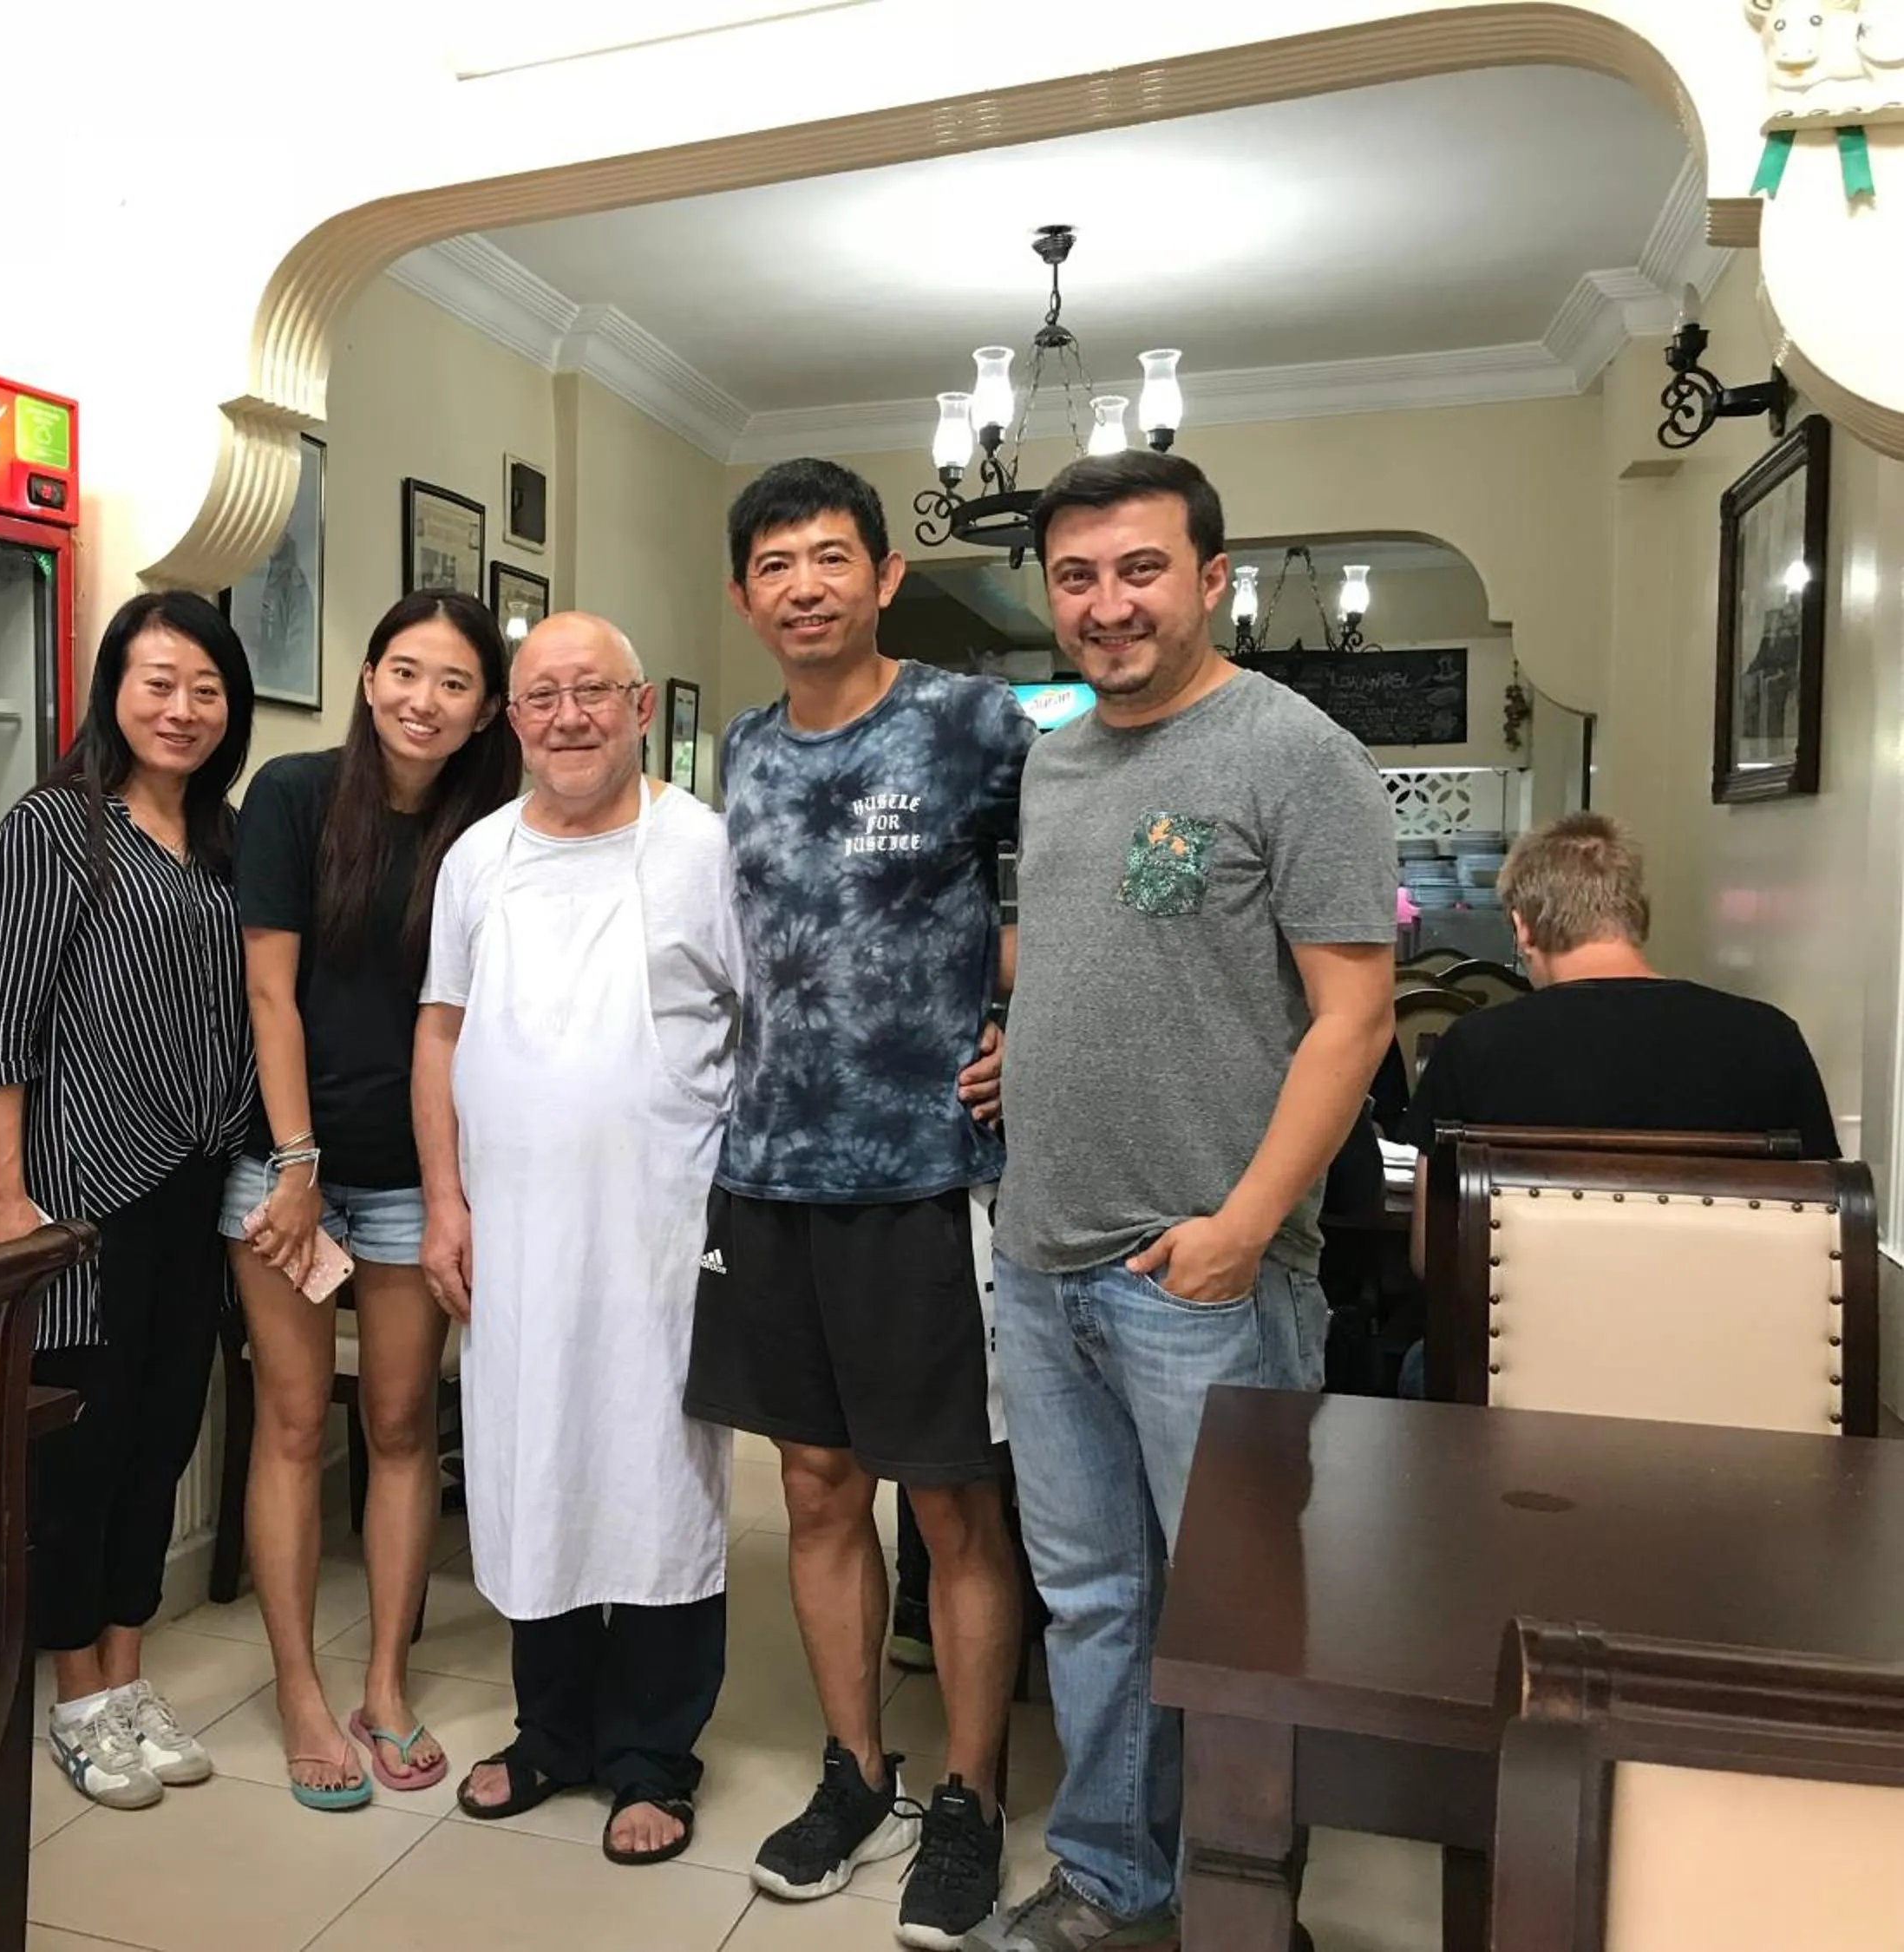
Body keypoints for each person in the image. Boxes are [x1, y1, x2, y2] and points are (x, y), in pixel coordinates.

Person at [972, 451, 1397, 1952]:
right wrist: (1017, 1049)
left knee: (1232, 1618)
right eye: (1077, 577)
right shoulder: (1060, 755)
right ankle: (1111, 1879)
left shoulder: (1297, 755)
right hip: (1041, 1261)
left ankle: (1233, 1897)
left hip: (1205, 1279)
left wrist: (1240, 1229)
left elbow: (1354, 1018)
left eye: (1141, 569)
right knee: (1089, 1602)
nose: (1108, 605)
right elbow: (1090, 956)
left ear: (1212, 578)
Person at [684, 457, 1029, 1951]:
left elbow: (1058, 895)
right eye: (777, 564)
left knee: (952, 1501)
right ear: (744, 595)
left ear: (885, 577)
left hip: (926, 1178)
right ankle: (858, 1772)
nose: (806, 584)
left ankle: (968, 1798)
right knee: (816, 1491)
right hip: (770, 1177)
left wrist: (1046, 1027)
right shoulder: (743, 757)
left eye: (833, 557)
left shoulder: (970, 722)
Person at [413, 612, 743, 1864]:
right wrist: (447, 1199)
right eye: (541, 695)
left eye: (591, 691)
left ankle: (654, 1751)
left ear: (641, 703)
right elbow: (438, 1032)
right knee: (528, 1460)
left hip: (660, 1226)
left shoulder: (704, 847)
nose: (567, 716)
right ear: (513, 717)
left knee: (658, 1474)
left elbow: (762, 1025)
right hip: (513, 1227)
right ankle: (548, 1728)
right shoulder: (478, 859)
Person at [225, 591, 521, 1810]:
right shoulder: (294, 798)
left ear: (486, 707)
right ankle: (300, 1686)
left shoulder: (497, 825)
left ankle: (384, 1682)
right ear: (365, 675)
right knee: (293, 1422)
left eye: (453, 682)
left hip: (420, 1174)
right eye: (405, 671)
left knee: (401, 1424)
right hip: (288, 1161)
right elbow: (268, 993)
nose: (423, 700)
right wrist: (296, 1165)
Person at [0, 589, 259, 1812]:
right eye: (158, 681)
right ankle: (76, 1700)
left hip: (198, 1186)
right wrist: (6, 1193)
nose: (182, 707)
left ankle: (129, 1673)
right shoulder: (58, 828)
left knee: (159, 1437)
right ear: (112, 689)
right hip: (83, 1195)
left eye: (205, 686)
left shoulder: (223, 838)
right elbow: (1, 1023)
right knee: (81, 1457)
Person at [1397, 813, 1837, 1156]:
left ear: (1522, 928)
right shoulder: (1768, 1037)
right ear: (1638, 916)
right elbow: (1822, 1218)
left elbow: (1429, 1242)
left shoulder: (1475, 1046)